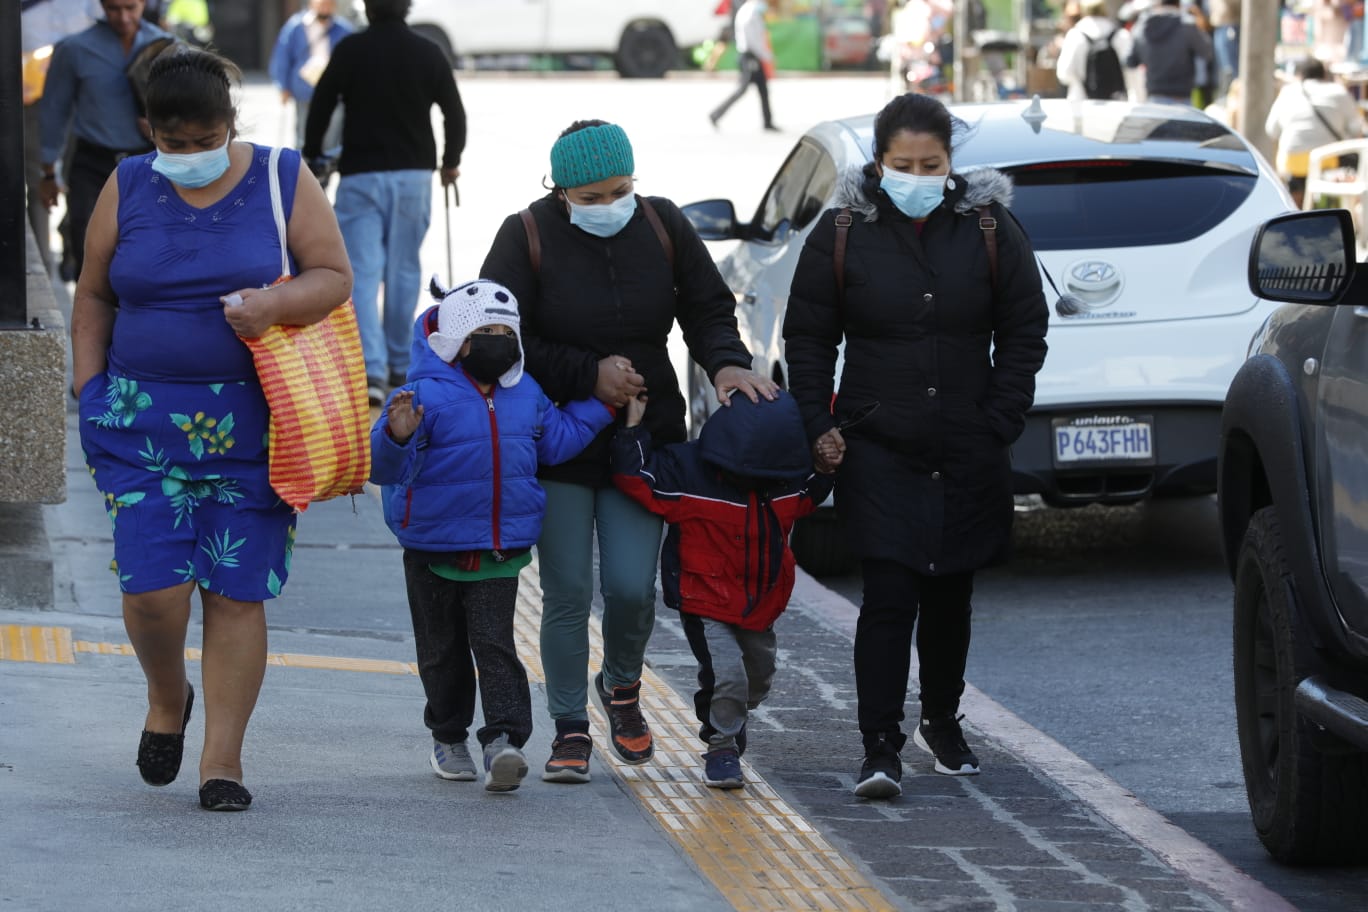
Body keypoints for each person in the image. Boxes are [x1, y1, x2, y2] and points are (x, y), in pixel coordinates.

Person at [70, 47, 353, 811]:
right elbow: (93, 292)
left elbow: (333, 275)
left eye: (205, 141)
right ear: (148, 131)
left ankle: (221, 763)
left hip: (256, 427)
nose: (191, 156)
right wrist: (88, 385)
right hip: (138, 425)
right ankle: (168, 696)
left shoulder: (280, 176)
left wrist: (272, 306)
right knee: (153, 591)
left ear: (232, 124)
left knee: (234, 593)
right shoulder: (126, 183)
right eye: (174, 143)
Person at [479, 119, 776, 784]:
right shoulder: (523, 234)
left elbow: (707, 309)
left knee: (630, 589)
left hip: (645, 443)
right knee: (566, 591)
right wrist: (589, 375)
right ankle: (569, 726)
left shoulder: (663, 225)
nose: (608, 204)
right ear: (559, 192)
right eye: (589, 197)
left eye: (620, 190)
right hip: (557, 442)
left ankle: (619, 687)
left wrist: (727, 365)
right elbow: (497, 336)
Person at [782, 93, 1048, 800]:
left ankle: (940, 717)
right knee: (890, 591)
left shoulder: (989, 227)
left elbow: (1025, 327)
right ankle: (878, 744)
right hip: (879, 443)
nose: (918, 176)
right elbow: (808, 338)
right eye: (903, 165)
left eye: (932, 164)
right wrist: (820, 422)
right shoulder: (842, 232)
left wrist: (1000, 415)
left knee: (951, 590)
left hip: (967, 439)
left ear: (951, 164)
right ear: (879, 162)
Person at [371, 278, 615, 793]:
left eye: (507, 330)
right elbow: (385, 468)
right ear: (457, 340)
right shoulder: (421, 396)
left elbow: (557, 443)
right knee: (440, 649)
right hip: (431, 546)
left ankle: (503, 740)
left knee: (494, 642)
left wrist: (602, 406)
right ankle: (449, 734)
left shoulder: (525, 393)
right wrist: (397, 435)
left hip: (498, 548)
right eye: (487, 330)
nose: (499, 340)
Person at [610, 390, 833, 789]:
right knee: (728, 674)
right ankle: (721, 746)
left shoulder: (786, 481)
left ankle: (724, 713)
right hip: (704, 597)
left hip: (759, 602)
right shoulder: (690, 471)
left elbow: (810, 495)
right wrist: (632, 428)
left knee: (758, 677)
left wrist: (828, 464)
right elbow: (638, 478)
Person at [303, 0, 466, 407]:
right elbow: (454, 113)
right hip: (414, 176)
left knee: (360, 273)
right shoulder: (428, 51)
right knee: (404, 269)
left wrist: (312, 154)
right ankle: (400, 362)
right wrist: (450, 162)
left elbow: (320, 105)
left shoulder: (350, 50)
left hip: (361, 176)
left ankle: (371, 370)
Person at [38, 0, 171, 282]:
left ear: (143, 3)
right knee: (88, 248)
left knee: (149, 248)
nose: (123, 16)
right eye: (113, 8)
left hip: (149, 162)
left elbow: (193, 108)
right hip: (93, 162)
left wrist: (165, 129)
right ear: (101, 6)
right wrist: (48, 172)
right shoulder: (74, 49)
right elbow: (54, 111)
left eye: (130, 7)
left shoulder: (165, 46)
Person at [20, 0, 99, 274]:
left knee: (82, 175)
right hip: (35, 100)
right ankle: (43, 266)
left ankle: (75, 246)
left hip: (87, 96)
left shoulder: (89, 5)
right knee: (39, 177)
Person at [1265, 57, 1364, 208]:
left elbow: (1271, 130)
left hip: (1293, 163)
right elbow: (1358, 129)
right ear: (1324, 75)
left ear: (1300, 75)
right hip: (1329, 162)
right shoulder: (1338, 91)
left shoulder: (1288, 92)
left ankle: (1294, 205)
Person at [269, 0, 353, 150]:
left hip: (334, 91)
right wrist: (283, 86)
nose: (325, 8)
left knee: (332, 135)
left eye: (329, 4)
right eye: (322, 4)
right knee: (303, 132)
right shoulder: (296, 27)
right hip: (305, 89)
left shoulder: (343, 29)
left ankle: (325, 169)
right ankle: (304, 168)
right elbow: (282, 57)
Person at [1124, 0, 1213, 104]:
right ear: (1178, 4)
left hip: (1154, 96)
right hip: (1181, 97)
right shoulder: (1187, 25)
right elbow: (1207, 52)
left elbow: (1130, 61)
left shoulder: (1141, 26)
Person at [708, 0, 778, 131]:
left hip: (752, 56)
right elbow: (754, 39)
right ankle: (715, 114)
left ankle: (768, 122)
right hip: (750, 56)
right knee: (742, 89)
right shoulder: (751, 12)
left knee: (763, 89)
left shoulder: (750, 11)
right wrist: (766, 56)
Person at [1055, 0, 1133, 101]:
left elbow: (1064, 73)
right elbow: (1131, 70)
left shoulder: (1075, 35)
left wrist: (1079, 84)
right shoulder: (1120, 35)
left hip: (1082, 102)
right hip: (1116, 103)